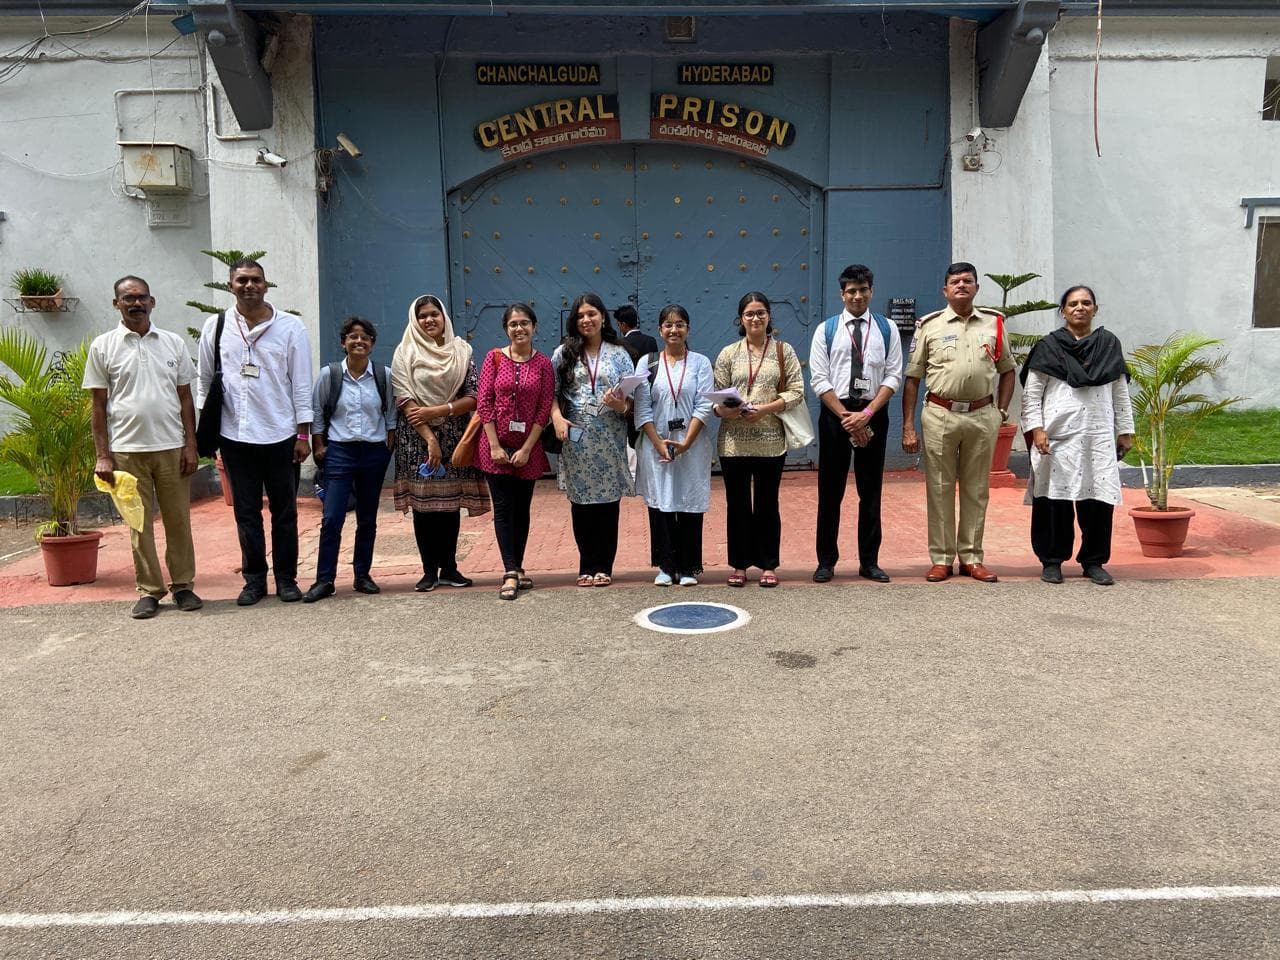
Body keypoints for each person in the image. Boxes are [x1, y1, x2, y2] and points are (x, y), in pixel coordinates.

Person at [197, 258, 313, 605]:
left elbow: (302, 384)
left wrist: (303, 435)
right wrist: (211, 436)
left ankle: (287, 579)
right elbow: (204, 383)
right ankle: (254, 581)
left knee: (285, 512)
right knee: (245, 512)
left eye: (256, 280)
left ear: (266, 285)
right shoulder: (215, 328)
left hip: (281, 436)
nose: (249, 286)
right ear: (230, 285)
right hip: (235, 437)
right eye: (242, 280)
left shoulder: (291, 328)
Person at [85, 276, 201, 619]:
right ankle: (149, 591)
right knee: (139, 524)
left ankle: (183, 587)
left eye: (142, 298)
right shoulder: (103, 346)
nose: (136, 303)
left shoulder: (173, 343)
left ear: (153, 302)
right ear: (116, 303)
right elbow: (97, 405)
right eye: (128, 298)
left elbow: (185, 398)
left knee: (179, 521)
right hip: (126, 452)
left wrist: (190, 444)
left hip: (171, 447)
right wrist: (103, 455)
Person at [901, 262, 1015, 583]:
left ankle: (972, 557)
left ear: (977, 287)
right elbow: (912, 379)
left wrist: (1001, 413)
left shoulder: (994, 324)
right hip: (939, 415)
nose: (962, 286)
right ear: (945, 290)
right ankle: (941, 558)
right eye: (955, 282)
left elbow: (1008, 370)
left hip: (981, 415)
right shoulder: (930, 326)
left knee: (977, 490)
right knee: (939, 489)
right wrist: (908, 426)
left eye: (968, 281)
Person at [1021, 285, 1135, 586]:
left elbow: (1120, 391)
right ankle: (1052, 560)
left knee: (1097, 500)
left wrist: (1126, 431)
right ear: (1063, 311)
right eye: (1073, 304)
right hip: (1057, 437)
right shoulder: (1049, 347)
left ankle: (1093, 561)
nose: (1079, 308)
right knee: (1053, 500)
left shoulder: (1109, 345)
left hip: (1097, 436)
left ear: (1095, 309)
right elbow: (1032, 395)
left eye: (1086, 303)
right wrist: (1037, 429)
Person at [809, 263, 904, 584]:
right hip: (836, 416)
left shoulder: (887, 329)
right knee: (830, 491)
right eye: (851, 291)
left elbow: (893, 375)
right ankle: (826, 561)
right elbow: (819, 379)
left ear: (871, 291)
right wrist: (847, 418)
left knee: (871, 491)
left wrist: (865, 415)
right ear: (842, 294)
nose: (857, 296)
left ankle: (869, 561)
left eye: (863, 290)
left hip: (873, 412)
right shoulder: (827, 329)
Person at [391, 294, 490, 592]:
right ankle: (428, 571)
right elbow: (405, 400)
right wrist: (431, 439)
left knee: (449, 506)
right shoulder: (404, 352)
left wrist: (440, 411)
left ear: (444, 316)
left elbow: (474, 395)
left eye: (434, 314)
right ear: (415, 320)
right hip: (416, 438)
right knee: (424, 508)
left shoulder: (461, 350)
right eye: (422, 316)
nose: (429, 320)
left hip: (455, 435)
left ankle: (449, 567)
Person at [711, 291, 805, 588]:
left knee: (767, 504)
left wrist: (764, 408)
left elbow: (797, 390)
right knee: (737, 505)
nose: (755, 318)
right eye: (749, 313)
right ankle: (739, 564)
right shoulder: (728, 353)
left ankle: (768, 563)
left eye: (761, 312)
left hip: (770, 441)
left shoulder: (783, 351)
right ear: (740, 318)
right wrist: (727, 410)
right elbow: (717, 394)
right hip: (733, 442)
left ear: (769, 317)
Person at [302, 317, 395, 602]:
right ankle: (324, 579)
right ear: (343, 342)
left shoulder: (384, 375)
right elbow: (317, 413)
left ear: (372, 344)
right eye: (353, 336)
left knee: (367, 518)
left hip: (372, 453)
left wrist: (388, 443)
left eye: (365, 337)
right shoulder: (329, 375)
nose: (359, 341)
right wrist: (318, 445)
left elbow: (391, 412)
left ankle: (362, 575)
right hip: (339, 452)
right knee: (332, 518)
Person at [550, 292, 634, 587]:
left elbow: (631, 401)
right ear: (575, 321)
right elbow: (552, 393)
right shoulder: (563, 353)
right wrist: (557, 418)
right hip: (577, 437)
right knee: (581, 503)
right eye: (581, 316)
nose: (587, 320)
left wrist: (619, 405)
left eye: (592, 314)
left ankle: (605, 566)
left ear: (602, 318)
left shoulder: (619, 354)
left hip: (609, 437)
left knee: (608, 503)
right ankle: (587, 564)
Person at [475, 303, 556, 600]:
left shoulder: (544, 364)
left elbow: (543, 409)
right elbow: (484, 402)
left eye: (524, 323)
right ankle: (509, 571)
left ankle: (518, 567)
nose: (519, 328)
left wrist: (526, 448)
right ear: (506, 329)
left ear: (534, 327)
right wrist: (495, 444)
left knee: (522, 510)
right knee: (504, 508)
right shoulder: (493, 358)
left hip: (527, 450)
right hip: (494, 447)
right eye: (513, 324)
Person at [633, 304, 716, 586]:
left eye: (680, 324)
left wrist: (686, 443)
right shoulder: (647, 362)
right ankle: (666, 566)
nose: (674, 329)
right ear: (660, 330)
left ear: (688, 329)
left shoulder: (701, 363)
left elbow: (704, 405)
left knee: (689, 501)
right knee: (662, 502)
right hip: (656, 443)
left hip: (691, 444)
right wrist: (657, 443)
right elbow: (642, 408)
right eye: (668, 325)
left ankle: (690, 567)